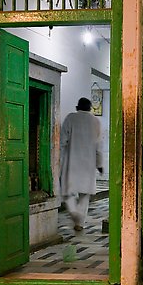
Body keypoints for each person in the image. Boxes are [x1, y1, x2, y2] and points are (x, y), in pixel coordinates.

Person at [59, 97, 103, 232]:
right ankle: (80, 222)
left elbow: (62, 141)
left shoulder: (70, 118)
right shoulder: (96, 121)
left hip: (72, 161)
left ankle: (74, 213)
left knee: (68, 193)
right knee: (85, 195)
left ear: (77, 107)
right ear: (90, 108)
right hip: (88, 164)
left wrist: (59, 161)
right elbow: (99, 146)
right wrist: (99, 164)